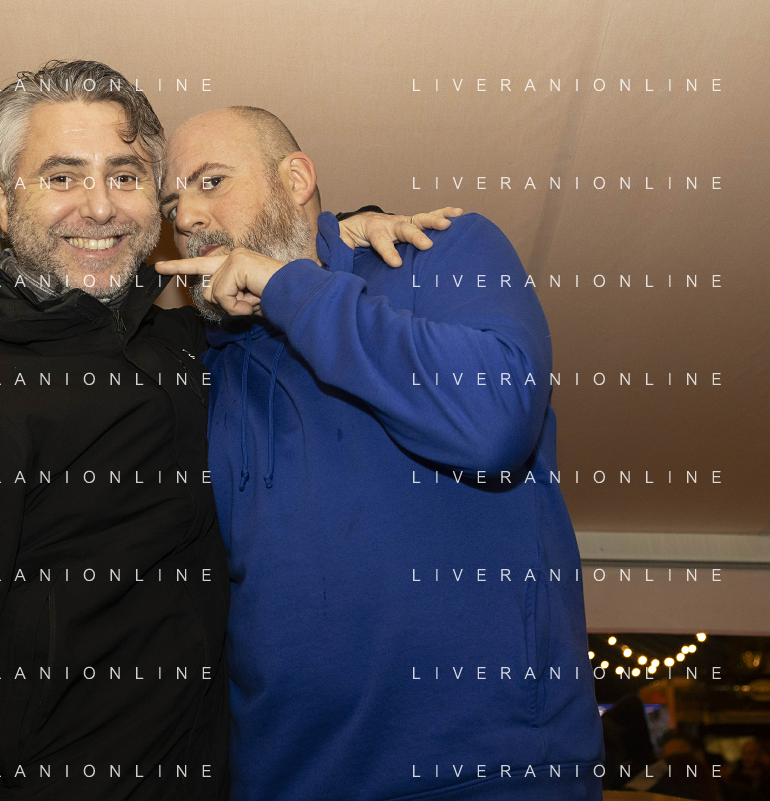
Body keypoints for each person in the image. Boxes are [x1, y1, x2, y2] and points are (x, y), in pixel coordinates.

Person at [0, 61, 443, 801]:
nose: (100, 207)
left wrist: (336, 230)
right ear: (2, 199)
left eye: (124, 176)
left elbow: (274, 256)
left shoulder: (196, 350)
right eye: (61, 177)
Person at [157, 106, 604, 800]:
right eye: (171, 203)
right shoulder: (201, 365)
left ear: (296, 178)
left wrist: (291, 286)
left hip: (487, 773)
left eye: (210, 181)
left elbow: (494, 423)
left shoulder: (437, 255)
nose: (185, 214)